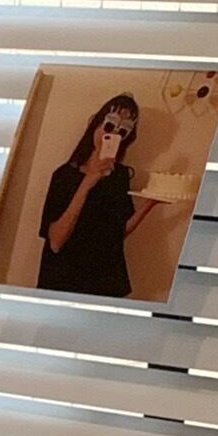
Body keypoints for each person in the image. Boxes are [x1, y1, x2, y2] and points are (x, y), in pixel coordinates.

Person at [34, 92, 162, 297]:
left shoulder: (119, 176)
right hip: (65, 281)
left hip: (106, 281)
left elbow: (118, 232)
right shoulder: (64, 176)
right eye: (109, 126)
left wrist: (150, 204)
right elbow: (56, 242)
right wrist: (88, 182)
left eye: (122, 131)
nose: (113, 135)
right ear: (94, 122)